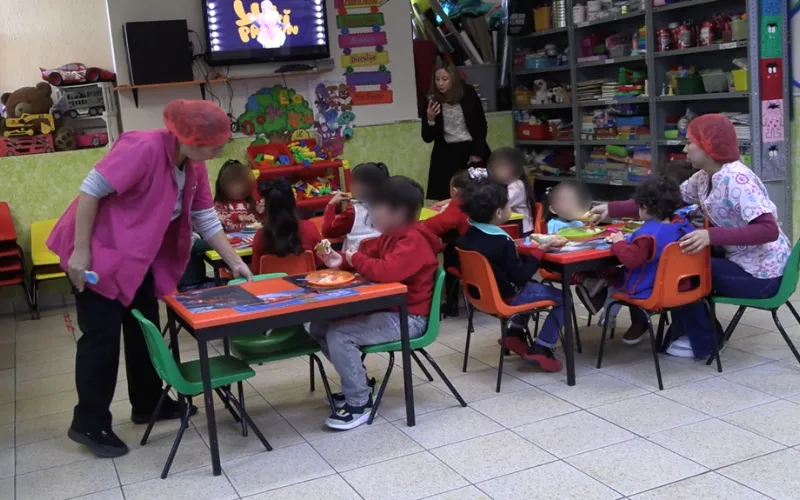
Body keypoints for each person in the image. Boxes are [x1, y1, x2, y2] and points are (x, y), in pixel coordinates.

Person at [46, 99, 254, 458]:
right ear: (190, 138)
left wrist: (234, 261)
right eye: (215, 145)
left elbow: (204, 216)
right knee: (101, 338)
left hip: (136, 259)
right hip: (97, 253)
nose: (220, 152)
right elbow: (90, 190)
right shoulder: (143, 148)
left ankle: (147, 402)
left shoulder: (194, 165)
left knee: (144, 328)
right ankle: (89, 422)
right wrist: (80, 251)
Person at [591, 114, 791, 358]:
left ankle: (707, 341)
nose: (684, 149)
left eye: (689, 142)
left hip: (763, 275)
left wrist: (710, 236)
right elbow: (662, 202)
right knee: (680, 263)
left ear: (708, 145)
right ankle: (686, 332)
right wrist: (610, 209)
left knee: (681, 270)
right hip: (744, 262)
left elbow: (768, 230)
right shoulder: (703, 177)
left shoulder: (736, 179)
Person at [311, 176, 442, 430]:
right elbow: (364, 256)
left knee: (340, 335)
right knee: (319, 326)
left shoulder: (412, 240)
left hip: (410, 318)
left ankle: (359, 402)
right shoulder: (389, 235)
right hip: (390, 310)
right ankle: (359, 383)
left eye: (374, 208)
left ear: (398, 212)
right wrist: (341, 260)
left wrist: (355, 259)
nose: (369, 214)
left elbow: (385, 271)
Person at [457, 178, 565, 372]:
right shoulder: (501, 242)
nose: (511, 208)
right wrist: (539, 252)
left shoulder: (467, 236)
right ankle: (543, 347)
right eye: (508, 205)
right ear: (499, 213)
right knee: (563, 298)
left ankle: (515, 333)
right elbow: (520, 277)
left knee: (533, 287)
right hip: (507, 297)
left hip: (481, 298)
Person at [602, 178, 692, 343]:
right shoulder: (682, 225)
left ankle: (606, 315)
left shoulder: (647, 235)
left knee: (610, 279)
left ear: (644, 207)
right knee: (615, 276)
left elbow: (631, 260)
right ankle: (601, 305)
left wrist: (618, 243)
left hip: (648, 288)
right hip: (678, 286)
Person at [422, 60, 490, 201]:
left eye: (444, 79)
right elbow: (427, 137)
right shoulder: (431, 99)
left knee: (478, 196)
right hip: (446, 154)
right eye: (437, 79)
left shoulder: (468, 93)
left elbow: (480, 125)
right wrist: (430, 119)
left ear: (453, 78)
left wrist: (477, 152)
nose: (440, 83)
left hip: (471, 149)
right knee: (448, 198)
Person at [251, 178, 323, 273]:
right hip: (307, 281)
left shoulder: (260, 236)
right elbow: (321, 263)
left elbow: (256, 271)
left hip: (273, 283)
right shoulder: (310, 228)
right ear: (293, 201)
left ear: (267, 206)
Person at [321, 161, 389, 251]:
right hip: (383, 254)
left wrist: (331, 204)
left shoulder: (353, 212)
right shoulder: (391, 207)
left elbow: (327, 231)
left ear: (356, 187)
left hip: (355, 258)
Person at [487, 148, 535, 234]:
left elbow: (501, 202)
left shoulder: (517, 185)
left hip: (522, 229)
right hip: (512, 224)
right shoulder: (507, 182)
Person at [213, 159, 264, 233]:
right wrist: (238, 217)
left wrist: (260, 212)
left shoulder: (250, 202)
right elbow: (222, 224)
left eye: (241, 182)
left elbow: (258, 223)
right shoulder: (219, 205)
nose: (238, 186)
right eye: (233, 182)